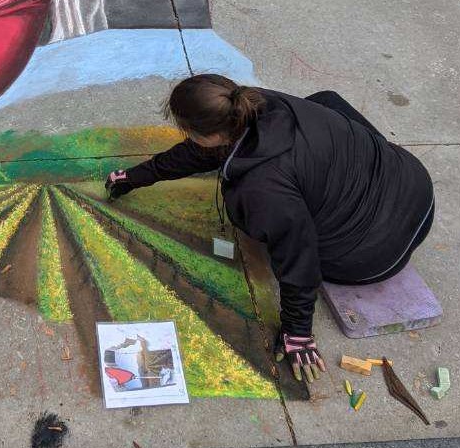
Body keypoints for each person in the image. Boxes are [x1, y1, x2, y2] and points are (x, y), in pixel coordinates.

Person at [105, 74, 435, 383]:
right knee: (324, 101)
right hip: (411, 184)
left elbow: (299, 258)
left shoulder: (263, 190)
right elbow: (200, 152)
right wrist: (137, 176)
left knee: (260, 213)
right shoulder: (258, 103)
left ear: (210, 134)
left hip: (377, 252)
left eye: (188, 130)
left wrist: (298, 331)